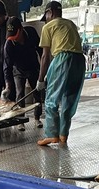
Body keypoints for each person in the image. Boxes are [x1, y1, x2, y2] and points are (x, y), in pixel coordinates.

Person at [36, 1, 85, 146]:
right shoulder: (70, 24)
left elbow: (45, 56)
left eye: (46, 15)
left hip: (63, 59)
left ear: (49, 12)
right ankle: (63, 134)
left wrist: (40, 80)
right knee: (69, 98)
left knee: (51, 99)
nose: (46, 19)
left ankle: (52, 135)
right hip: (79, 60)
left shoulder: (48, 27)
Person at [3, 16, 43, 132]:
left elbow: (41, 51)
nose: (13, 39)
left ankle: (37, 118)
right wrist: (7, 86)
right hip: (18, 70)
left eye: (15, 36)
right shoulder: (9, 44)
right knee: (20, 95)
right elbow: (7, 67)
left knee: (37, 93)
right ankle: (21, 120)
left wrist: (43, 73)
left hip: (33, 67)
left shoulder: (31, 33)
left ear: (20, 30)